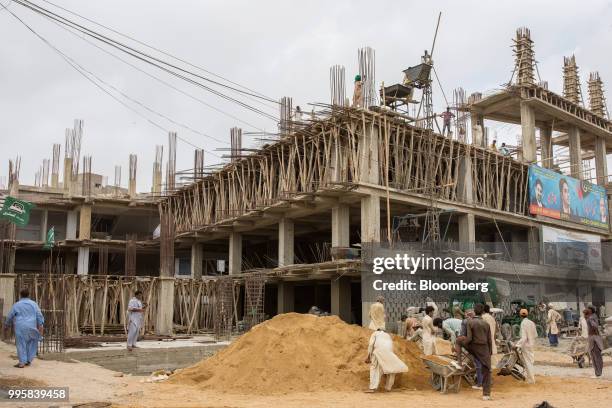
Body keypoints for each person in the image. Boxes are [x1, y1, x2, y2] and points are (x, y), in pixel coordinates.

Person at [458, 304, 492, 401]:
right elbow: (489, 340)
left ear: (474, 311)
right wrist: (489, 353)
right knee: (487, 370)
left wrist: (463, 343)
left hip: (474, 346)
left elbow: (469, 338)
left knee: (458, 341)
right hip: (484, 348)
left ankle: (459, 363)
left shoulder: (470, 322)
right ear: (482, 312)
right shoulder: (486, 324)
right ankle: (486, 394)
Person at [3, 288, 44, 368]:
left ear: (20, 295)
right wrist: (40, 324)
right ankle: (28, 360)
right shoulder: (34, 304)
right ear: (29, 295)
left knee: (21, 344)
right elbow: (39, 315)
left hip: (20, 327)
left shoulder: (17, 304)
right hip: (31, 326)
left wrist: (6, 325)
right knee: (31, 343)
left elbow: (10, 316)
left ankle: (22, 362)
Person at [365, 328, 409, 392]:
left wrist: (369, 356)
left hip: (378, 351)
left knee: (375, 368)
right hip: (389, 352)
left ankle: (372, 388)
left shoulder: (375, 333)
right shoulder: (388, 336)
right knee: (391, 369)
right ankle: (388, 387)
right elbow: (391, 347)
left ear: (377, 330)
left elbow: (371, 345)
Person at [515, 309, 537, 384]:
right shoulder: (531, 322)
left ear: (520, 315)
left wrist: (517, 345)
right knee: (530, 362)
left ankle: (531, 380)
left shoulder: (523, 323)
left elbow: (524, 338)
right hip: (531, 345)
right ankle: (530, 378)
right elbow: (535, 335)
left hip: (526, 345)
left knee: (527, 363)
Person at [584, 305, 604, 378]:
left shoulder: (591, 317)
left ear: (591, 310)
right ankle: (597, 373)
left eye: (588, 309)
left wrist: (590, 321)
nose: (586, 310)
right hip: (593, 338)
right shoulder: (591, 316)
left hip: (594, 339)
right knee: (594, 356)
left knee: (596, 356)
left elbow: (595, 326)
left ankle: (598, 373)